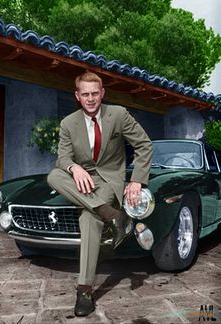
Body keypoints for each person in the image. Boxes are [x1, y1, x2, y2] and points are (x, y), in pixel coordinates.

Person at [47, 71, 152, 317]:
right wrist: (74, 168)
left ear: (102, 93)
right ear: (77, 96)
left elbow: (144, 145)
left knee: (89, 218)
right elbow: (63, 158)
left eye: (95, 93)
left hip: (109, 181)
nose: (91, 98)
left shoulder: (118, 114)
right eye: (86, 94)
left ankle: (84, 290)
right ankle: (115, 216)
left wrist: (137, 180)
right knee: (53, 175)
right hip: (81, 180)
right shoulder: (68, 123)